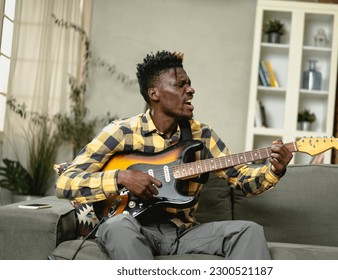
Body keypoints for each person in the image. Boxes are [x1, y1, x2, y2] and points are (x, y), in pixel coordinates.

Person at [55, 50, 293, 260]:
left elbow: (242, 179)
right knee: (116, 226)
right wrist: (121, 178)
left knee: (248, 231)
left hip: (183, 233)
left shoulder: (202, 134)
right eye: (180, 85)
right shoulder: (122, 132)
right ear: (154, 93)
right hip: (132, 228)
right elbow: (66, 183)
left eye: (189, 83)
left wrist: (275, 169)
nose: (191, 89)